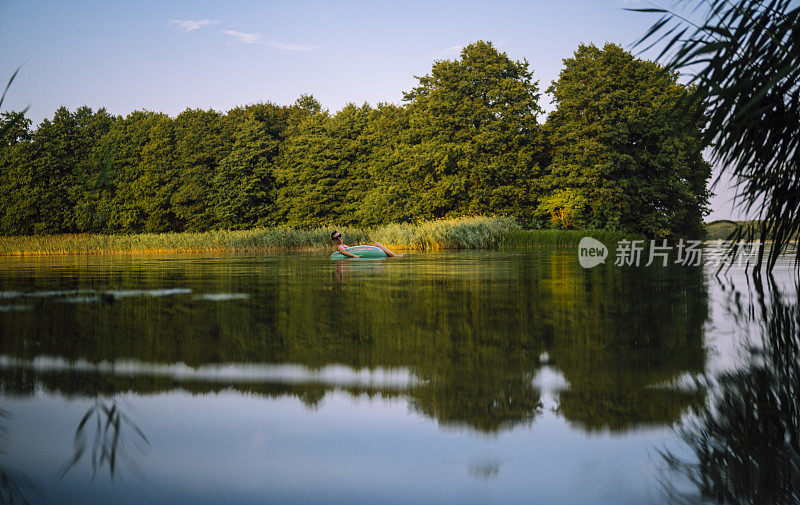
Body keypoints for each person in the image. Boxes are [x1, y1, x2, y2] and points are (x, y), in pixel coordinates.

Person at [330, 231, 406, 258]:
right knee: (376, 244)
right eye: (337, 238)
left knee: (376, 244)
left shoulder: (343, 245)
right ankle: (395, 256)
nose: (339, 238)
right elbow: (343, 252)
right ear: (334, 240)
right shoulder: (339, 246)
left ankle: (392, 256)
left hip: (359, 252)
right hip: (355, 256)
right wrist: (354, 255)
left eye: (339, 236)